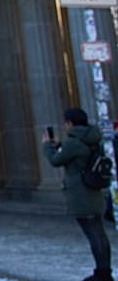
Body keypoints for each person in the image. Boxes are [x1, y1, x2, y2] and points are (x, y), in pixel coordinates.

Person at [45, 107, 112, 281]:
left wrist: (47, 146)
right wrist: (60, 145)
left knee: (94, 235)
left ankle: (102, 274)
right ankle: (104, 271)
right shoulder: (92, 138)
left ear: (70, 122)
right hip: (94, 191)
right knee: (99, 234)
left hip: (81, 193)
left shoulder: (74, 142)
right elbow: (79, 156)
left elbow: (55, 161)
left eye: (65, 123)